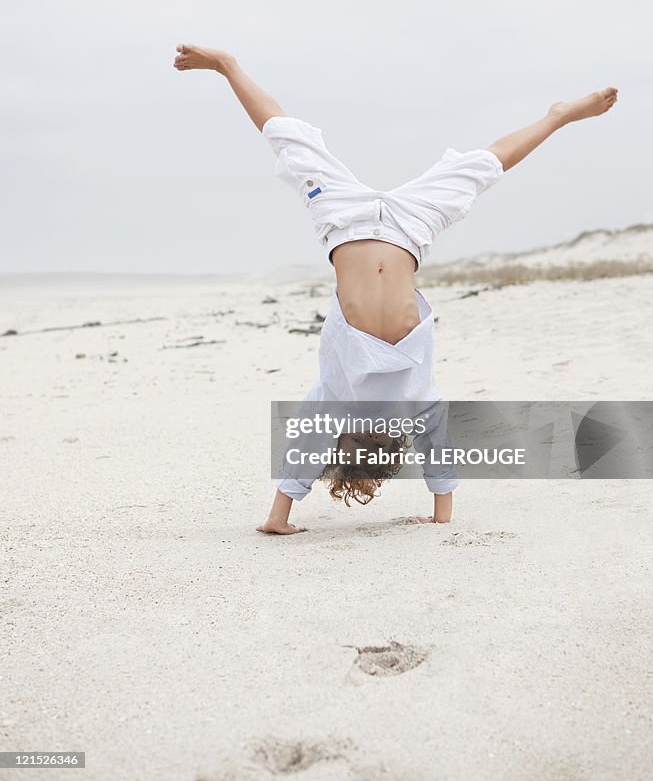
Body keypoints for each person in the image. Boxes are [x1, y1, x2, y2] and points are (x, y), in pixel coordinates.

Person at [174, 43, 618, 534]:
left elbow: (310, 454)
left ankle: (229, 65)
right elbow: (434, 458)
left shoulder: (345, 399)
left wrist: (279, 518)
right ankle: (557, 117)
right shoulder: (412, 402)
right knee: (480, 168)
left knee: (290, 141)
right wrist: (438, 515)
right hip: (406, 228)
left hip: (346, 223)